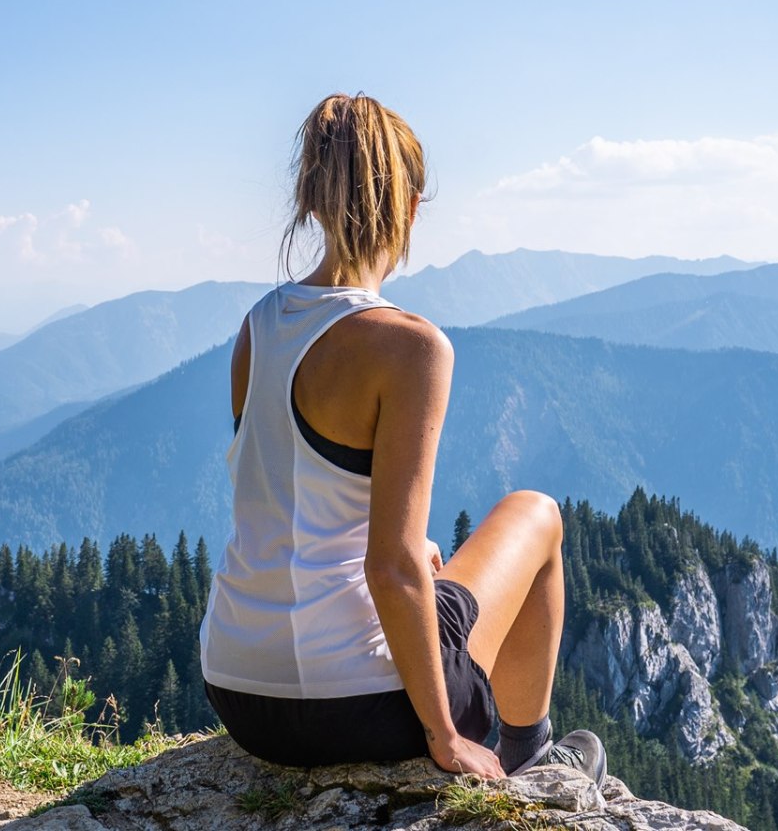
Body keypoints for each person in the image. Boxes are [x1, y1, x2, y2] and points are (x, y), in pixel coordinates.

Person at [198, 92, 606, 783]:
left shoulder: (258, 328)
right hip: (356, 707)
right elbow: (388, 568)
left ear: (311, 200)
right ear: (410, 207)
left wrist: (410, 552)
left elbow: (300, 502)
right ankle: (531, 757)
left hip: (240, 694)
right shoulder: (411, 347)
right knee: (536, 513)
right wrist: (444, 735)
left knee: (426, 557)